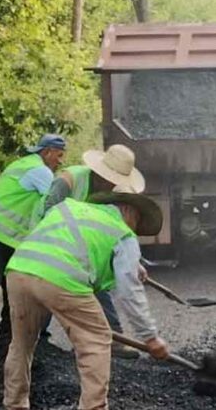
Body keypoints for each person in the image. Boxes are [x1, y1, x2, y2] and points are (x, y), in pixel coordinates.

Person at [2, 183, 169, 410]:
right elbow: (128, 292)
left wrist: (133, 266)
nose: (135, 228)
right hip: (61, 276)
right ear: (129, 210)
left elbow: (75, 245)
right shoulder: (122, 232)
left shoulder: (73, 209)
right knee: (96, 338)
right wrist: (150, 337)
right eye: (137, 221)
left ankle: (14, 407)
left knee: (22, 342)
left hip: (20, 270)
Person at [41, 144, 150, 360]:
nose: (113, 185)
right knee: (45, 289)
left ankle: (114, 339)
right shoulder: (69, 180)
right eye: (112, 179)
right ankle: (36, 340)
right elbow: (47, 211)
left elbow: (111, 231)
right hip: (51, 241)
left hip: (79, 247)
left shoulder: (107, 193)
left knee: (97, 284)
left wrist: (132, 262)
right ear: (100, 173)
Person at [0, 134, 66, 347]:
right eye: (59, 155)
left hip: (0, 234)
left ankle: (7, 335)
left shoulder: (24, 164)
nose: (61, 161)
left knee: (10, 283)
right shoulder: (40, 171)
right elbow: (56, 205)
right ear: (47, 152)